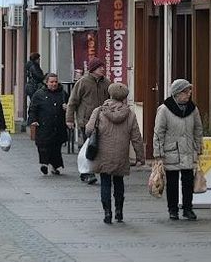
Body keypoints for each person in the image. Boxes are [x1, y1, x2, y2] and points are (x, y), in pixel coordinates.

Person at [86, 82, 143, 224]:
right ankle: (119, 211)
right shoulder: (130, 114)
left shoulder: (99, 111)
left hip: (103, 153)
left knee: (105, 181)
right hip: (121, 154)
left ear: (110, 94)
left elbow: (88, 130)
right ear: (124, 97)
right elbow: (136, 137)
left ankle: (107, 212)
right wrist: (140, 157)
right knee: (119, 181)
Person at [153, 78, 204, 221]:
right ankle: (173, 210)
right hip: (171, 151)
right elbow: (158, 132)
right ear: (176, 93)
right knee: (172, 182)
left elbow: (198, 129)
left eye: (189, 91)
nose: (188, 94)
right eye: (185, 91)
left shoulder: (193, 109)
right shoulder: (164, 109)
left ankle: (188, 209)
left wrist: (198, 147)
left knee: (188, 181)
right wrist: (158, 153)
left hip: (188, 150)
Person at [66, 57, 111, 184]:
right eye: (99, 67)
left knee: (101, 148)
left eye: (103, 67)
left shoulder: (106, 83)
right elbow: (73, 102)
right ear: (92, 69)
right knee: (89, 147)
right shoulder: (83, 82)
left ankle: (99, 170)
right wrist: (69, 119)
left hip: (103, 121)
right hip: (86, 121)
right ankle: (87, 173)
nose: (102, 69)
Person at [28, 72, 69, 175]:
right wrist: (33, 120)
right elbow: (33, 109)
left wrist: (67, 108)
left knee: (56, 147)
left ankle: (55, 167)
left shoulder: (63, 94)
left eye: (55, 82)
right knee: (43, 146)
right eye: (51, 82)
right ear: (46, 83)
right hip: (43, 125)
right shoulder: (39, 94)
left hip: (58, 126)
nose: (54, 84)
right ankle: (44, 164)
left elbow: (71, 106)